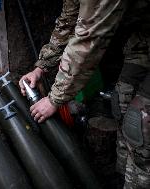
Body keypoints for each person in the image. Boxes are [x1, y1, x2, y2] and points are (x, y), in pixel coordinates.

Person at [19, 0, 150, 188]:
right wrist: (41, 67)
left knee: (141, 122)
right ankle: (124, 179)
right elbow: (69, 20)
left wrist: (55, 99)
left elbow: (89, 38)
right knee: (122, 102)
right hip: (143, 41)